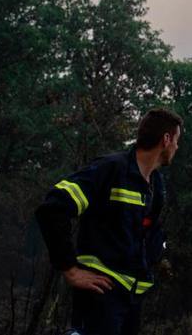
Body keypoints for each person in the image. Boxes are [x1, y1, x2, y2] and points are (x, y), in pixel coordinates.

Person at [36, 108, 183, 335]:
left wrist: (158, 251)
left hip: (132, 299)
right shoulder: (111, 169)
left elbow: (147, 234)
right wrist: (71, 269)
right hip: (101, 294)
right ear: (166, 139)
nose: (177, 147)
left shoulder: (156, 187)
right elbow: (53, 209)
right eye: (177, 140)